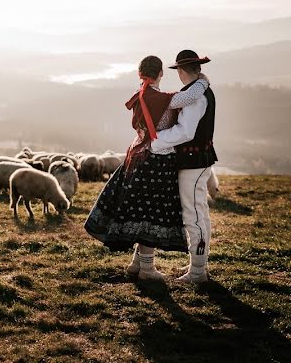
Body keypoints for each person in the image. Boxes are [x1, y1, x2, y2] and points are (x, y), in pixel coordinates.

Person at [84, 55, 209, 280]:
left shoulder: (140, 94)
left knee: (139, 209)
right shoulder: (161, 98)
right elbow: (189, 96)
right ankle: (147, 269)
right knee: (148, 214)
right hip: (155, 160)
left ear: (140, 74)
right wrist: (203, 81)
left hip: (136, 154)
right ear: (161, 74)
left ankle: (136, 264)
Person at [150, 49, 217, 284]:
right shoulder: (198, 91)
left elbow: (186, 132)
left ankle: (198, 272)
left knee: (194, 215)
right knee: (198, 213)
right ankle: (198, 265)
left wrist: (154, 140)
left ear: (180, 71)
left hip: (192, 163)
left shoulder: (195, 96)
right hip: (197, 160)